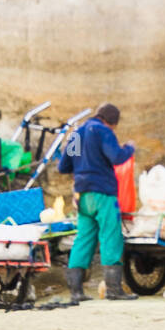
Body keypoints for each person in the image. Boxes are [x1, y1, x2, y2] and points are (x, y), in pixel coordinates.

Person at [57, 103, 137, 302]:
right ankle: (113, 289)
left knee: (83, 239)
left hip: (82, 195)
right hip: (102, 192)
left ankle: (76, 292)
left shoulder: (78, 133)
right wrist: (129, 148)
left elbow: (64, 165)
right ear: (112, 122)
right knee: (111, 236)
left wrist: (82, 166)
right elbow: (116, 157)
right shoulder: (103, 131)